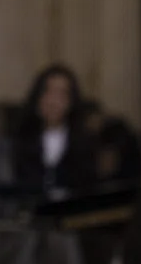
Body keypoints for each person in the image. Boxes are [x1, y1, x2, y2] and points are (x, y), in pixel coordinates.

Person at [12, 64, 96, 198]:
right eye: (48, 92)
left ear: (71, 101)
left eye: (62, 94)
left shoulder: (85, 142)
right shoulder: (20, 138)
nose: (54, 102)